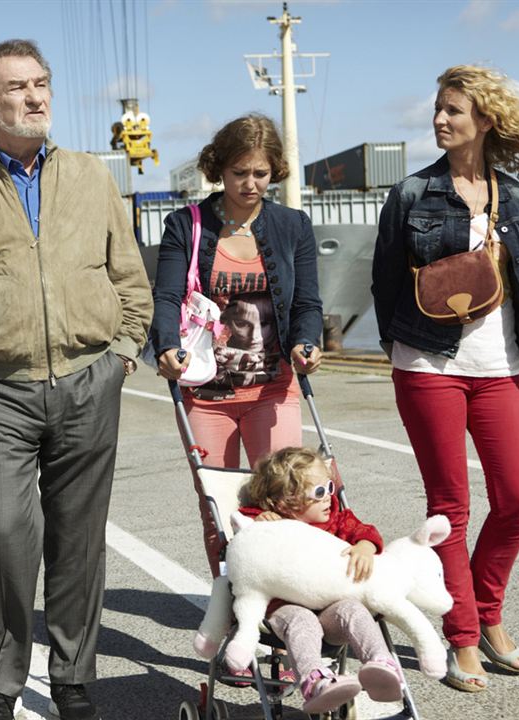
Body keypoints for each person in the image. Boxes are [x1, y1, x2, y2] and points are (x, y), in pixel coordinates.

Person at [0, 39, 153, 720]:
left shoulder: (90, 176)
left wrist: (124, 352)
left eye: (41, 83)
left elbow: (128, 274)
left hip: (87, 380)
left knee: (78, 537)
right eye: (17, 87)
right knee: (7, 531)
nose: (36, 96)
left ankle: (73, 675)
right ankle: (3, 676)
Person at [372, 65, 519, 692]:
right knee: (450, 508)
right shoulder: (411, 195)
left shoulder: (516, 197)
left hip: (500, 363)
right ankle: (463, 638)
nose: (439, 119)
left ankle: (488, 613)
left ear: (485, 118)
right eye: (437, 108)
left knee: (518, 500)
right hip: (428, 365)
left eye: (453, 109)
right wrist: (403, 347)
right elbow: (386, 282)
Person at [149, 114, 324, 576]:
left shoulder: (293, 226)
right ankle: (232, 608)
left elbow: (307, 301)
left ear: (275, 171)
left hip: (273, 389)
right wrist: (167, 344)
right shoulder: (185, 226)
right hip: (206, 396)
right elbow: (165, 295)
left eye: (260, 174)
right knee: (220, 511)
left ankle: (287, 612)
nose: (250, 184)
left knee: (288, 501)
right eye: (239, 173)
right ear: (219, 169)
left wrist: (308, 341)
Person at [235, 447, 403, 714]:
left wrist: (364, 547)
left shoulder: (337, 519)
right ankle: (316, 683)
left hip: (329, 609)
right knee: (302, 620)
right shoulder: (269, 521)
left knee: (353, 610)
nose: (328, 498)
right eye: (319, 492)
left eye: (330, 487)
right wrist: (260, 523)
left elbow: (365, 531)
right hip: (283, 608)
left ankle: (382, 666)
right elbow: (246, 547)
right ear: (284, 502)